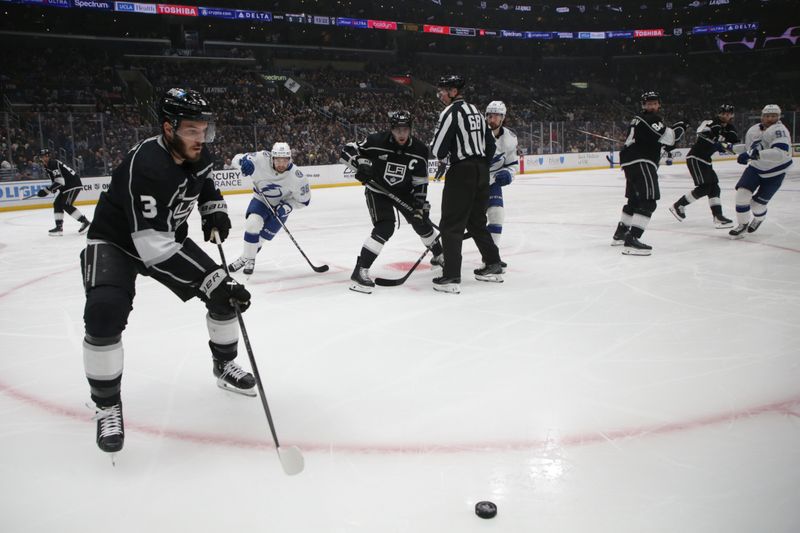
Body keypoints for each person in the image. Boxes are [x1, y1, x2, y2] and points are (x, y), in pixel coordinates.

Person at [80, 88, 253, 456]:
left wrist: (212, 208)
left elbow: (204, 180)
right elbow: (152, 250)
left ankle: (223, 365)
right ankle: (108, 404)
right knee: (104, 311)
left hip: (164, 236)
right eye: (192, 130)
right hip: (116, 243)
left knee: (226, 297)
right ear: (168, 128)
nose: (201, 138)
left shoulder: (197, 151)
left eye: (204, 130)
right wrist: (211, 279)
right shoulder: (146, 167)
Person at [340, 110, 442, 293]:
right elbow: (346, 150)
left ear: (410, 129)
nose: (401, 134)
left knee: (422, 223)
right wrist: (359, 162)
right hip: (377, 190)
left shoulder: (419, 150)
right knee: (385, 227)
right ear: (391, 129)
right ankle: (360, 270)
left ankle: (440, 256)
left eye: (405, 129)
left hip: (405, 193)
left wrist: (419, 205)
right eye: (397, 130)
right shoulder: (375, 141)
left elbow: (420, 181)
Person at [429, 75, 502, 294]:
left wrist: (458, 159)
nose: (440, 94)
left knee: (451, 224)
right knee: (476, 221)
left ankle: (451, 276)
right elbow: (491, 146)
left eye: (443, 90)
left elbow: (438, 149)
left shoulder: (450, 112)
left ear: (453, 92)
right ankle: (493, 264)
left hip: (462, 171)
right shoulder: (477, 112)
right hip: (481, 171)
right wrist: (479, 165)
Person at [612, 91, 687, 255]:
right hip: (642, 161)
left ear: (658, 104)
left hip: (630, 162)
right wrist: (682, 126)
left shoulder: (639, 120)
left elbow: (661, 142)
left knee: (634, 200)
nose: (651, 106)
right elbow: (672, 139)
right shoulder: (652, 119)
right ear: (643, 105)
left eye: (654, 103)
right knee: (649, 200)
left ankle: (620, 233)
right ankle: (632, 240)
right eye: (648, 103)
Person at [227, 142, 310, 276]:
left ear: (290, 159)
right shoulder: (261, 158)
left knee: (261, 239)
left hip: (280, 207)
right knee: (252, 224)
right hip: (261, 201)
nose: (281, 164)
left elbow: (304, 201)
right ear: (272, 158)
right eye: (278, 160)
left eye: (285, 160)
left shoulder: (297, 177)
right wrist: (243, 163)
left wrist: (288, 206)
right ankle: (250, 260)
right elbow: (236, 159)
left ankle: (244, 257)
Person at [728, 104, 793, 238]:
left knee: (756, 205)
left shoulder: (780, 130)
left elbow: (780, 153)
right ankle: (742, 225)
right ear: (762, 116)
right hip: (756, 168)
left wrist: (754, 154)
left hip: (775, 172)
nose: (770, 119)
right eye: (767, 116)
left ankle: (759, 218)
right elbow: (749, 148)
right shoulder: (753, 130)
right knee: (742, 195)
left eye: (773, 116)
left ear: (778, 117)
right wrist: (730, 148)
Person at [669, 104, 739, 228]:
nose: (725, 116)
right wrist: (719, 142)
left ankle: (718, 216)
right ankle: (678, 205)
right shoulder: (711, 122)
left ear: (732, 115)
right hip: (696, 157)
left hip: (706, 159)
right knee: (705, 187)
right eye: (723, 113)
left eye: (728, 114)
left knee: (714, 188)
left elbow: (733, 141)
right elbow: (701, 133)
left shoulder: (729, 128)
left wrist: (725, 144)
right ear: (719, 113)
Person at [484, 100, 518, 267]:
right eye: (490, 115)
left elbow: (512, 165)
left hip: (492, 182)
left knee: (497, 215)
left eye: (496, 116)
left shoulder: (510, 139)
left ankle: (491, 258)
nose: (492, 119)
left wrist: (508, 175)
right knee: (463, 222)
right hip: (472, 182)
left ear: (503, 118)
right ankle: (448, 254)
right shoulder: (477, 134)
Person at [37, 149, 90, 236]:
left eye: (45, 156)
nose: (44, 158)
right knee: (57, 203)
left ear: (48, 156)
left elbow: (60, 181)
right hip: (67, 186)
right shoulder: (47, 165)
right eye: (42, 156)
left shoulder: (53, 163)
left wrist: (46, 191)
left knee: (66, 204)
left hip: (72, 184)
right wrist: (52, 189)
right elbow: (56, 181)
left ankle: (85, 222)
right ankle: (59, 228)